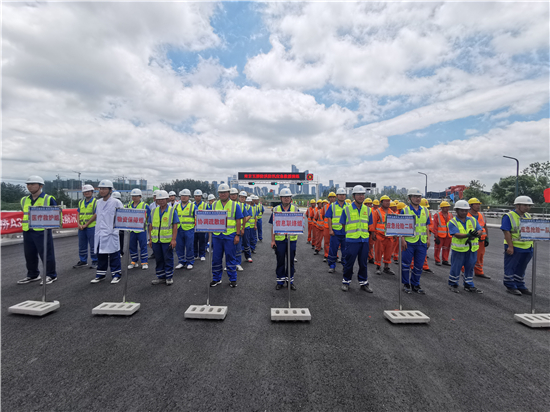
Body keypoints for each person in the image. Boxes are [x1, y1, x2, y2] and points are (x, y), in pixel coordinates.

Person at [17, 175, 58, 285]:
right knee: (29, 254)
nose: (29, 186)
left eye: (32, 184)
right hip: (27, 230)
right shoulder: (24, 200)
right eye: (28, 184)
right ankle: (33, 274)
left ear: (40, 186)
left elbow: (56, 214)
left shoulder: (48, 199)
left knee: (46, 254)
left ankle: (51, 275)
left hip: (42, 231)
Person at [339, 185, 373, 292]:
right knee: (349, 262)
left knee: (363, 263)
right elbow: (343, 225)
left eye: (362, 194)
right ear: (354, 196)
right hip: (352, 240)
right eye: (358, 194)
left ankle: (364, 283)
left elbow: (369, 225)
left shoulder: (368, 210)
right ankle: (346, 281)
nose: (361, 196)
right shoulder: (346, 209)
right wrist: (351, 234)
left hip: (364, 240)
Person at [210, 184, 243, 288]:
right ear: (218, 194)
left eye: (224, 192)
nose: (223, 194)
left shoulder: (234, 205)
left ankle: (233, 279)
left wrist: (237, 235)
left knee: (230, 257)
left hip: (230, 235)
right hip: (217, 235)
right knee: (216, 258)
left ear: (228, 193)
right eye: (220, 193)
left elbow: (238, 220)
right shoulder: (214, 205)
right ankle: (216, 279)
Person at [90, 180, 123, 284]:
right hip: (100, 232)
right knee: (101, 254)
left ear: (110, 190)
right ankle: (100, 274)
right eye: (100, 189)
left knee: (114, 254)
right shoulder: (98, 202)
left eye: (104, 189)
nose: (102, 191)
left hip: (111, 232)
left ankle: (116, 274)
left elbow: (121, 217)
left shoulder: (116, 202)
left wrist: (114, 228)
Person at [501, 196, 535, 295]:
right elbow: (506, 232)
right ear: (517, 205)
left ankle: (520, 284)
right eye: (525, 205)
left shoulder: (528, 216)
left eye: (529, 205)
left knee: (522, 268)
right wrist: (510, 246)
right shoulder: (509, 216)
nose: (527, 207)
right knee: (511, 267)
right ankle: (510, 285)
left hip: (527, 247)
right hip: (515, 247)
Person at [447, 200, 483, 293]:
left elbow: (480, 230)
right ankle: (453, 283)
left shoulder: (472, 220)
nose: (464, 212)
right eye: (462, 210)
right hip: (459, 249)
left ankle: (468, 284)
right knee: (456, 267)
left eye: (466, 210)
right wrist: (468, 235)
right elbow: (456, 234)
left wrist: (476, 234)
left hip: (471, 249)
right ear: (456, 211)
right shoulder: (452, 222)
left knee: (470, 266)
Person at [400, 188, 430, 294]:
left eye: (419, 197)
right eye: (415, 197)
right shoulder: (405, 210)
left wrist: (428, 239)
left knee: (419, 265)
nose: (417, 199)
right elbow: (401, 227)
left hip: (421, 242)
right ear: (409, 198)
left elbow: (427, 226)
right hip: (409, 242)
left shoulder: (425, 211)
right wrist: (402, 240)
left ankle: (415, 284)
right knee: (405, 264)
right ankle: (406, 284)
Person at [270, 188, 299, 289]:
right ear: (281, 198)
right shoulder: (275, 209)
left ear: (291, 198)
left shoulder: (295, 209)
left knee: (290, 261)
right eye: (284, 197)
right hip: (280, 240)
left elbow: (300, 224)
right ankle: (280, 281)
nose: (286, 199)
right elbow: (273, 226)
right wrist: (273, 240)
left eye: (288, 197)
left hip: (291, 240)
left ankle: (290, 282)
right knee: (280, 260)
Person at [148, 190, 178, 285]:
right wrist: (150, 239)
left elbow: (175, 226)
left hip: (167, 240)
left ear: (167, 199)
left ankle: (169, 277)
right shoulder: (153, 211)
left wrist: (173, 239)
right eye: (159, 199)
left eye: (163, 199)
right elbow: (151, 226)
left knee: (168, 258)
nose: (161, 201)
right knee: (158, 259)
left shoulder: (172, 211)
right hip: (156, 240)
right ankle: (161, 277)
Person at [370, 195, 396, 276]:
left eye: (388, 201)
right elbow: (373, 223)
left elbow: (394, 224)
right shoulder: (377, 212)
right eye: (386, 201)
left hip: (389, 236)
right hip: (379, 236)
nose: (388, 203)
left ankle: (386, 267)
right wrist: (373, 233)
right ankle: (378, 267)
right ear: (381, 202)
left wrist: (395, 234)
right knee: (378, 251)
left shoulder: (392, 212)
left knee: (388, 252)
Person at [73, 184, 98, 270]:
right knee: (82, 245)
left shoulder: (95, 202)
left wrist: (86, 225)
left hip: (92, 226)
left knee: (93, 245)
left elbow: (96, 214)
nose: (87, 193)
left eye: (88, 191)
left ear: (92, 192)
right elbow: (78, 214)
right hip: (82, 227)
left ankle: (95, 261)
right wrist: (79, 224)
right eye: (85, 192)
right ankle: (83, 261)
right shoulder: (81, 202)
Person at [126, 188, 150, 270]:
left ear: (140, 196)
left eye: (136, 196)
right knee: (132, 246)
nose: (134, 197)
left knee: (143, 246)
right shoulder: (128, 205)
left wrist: (146, 223)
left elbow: (149, 217)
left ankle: (144, 262)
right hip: (131, 229)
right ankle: (134, 261)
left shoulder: (145, 205)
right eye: (133, 196)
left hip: (141, 230)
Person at [468, 198, 490, 279]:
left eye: (479, 204)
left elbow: (485, 226)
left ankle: (479, 271)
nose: (478, 206)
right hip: (471, 240)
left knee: (480, 256)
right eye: (476, 204)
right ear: (470, 205)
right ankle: (464, 271)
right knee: (468, 256)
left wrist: (487, 237)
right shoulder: (467, 215)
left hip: (481, 240)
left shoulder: (482, 215)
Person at [325, 188, 347, 273]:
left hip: (345, 232)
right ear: (337, 196)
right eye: (340, 195)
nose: (342, 196)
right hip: (335, 232)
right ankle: (332, 265)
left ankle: (345, 265)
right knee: (333, 249)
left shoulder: (348, 206)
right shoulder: (332, 206)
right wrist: (330, 230)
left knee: (345, 250)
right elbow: (329, 218)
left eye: (343, 195)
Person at [175, 189, 195, 270]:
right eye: (182, 196)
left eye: (186, 196)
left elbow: (197, 217)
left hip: (189, 229)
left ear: (189, 197)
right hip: (179, 229)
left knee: (189, 246)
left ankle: (190, 262)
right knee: (179, 246)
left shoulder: (193, 206)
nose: (184, 197)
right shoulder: (176, 206)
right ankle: (181, 261)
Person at [432, 201, 452, 267]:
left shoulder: (450, 215)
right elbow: (435, 225)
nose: (447, 208)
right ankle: (437, 260)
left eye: (448, 207)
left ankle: (445, 260)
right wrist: (436, 236)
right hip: (440, 235)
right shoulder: (437, 215)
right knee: (437, 248)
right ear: (442, 208)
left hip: (448, 235)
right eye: (446, 207)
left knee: (446, 248)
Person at [193, 189, 208, 261]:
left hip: (202, 226)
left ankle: (202, 254)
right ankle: (195, 254)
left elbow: (209, 214)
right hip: (194, 226)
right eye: (196, 196)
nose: (197, 197)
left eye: (199, 196)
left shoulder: (205, 205)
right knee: (194, 240)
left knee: (202, 240)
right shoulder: (192, 205)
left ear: (201, 197)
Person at [368, 199, 379, 264]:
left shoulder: (373, 212)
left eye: (370, 204)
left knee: (370, 245)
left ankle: (370, 257)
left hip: (370, 231)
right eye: (367, 204)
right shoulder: (364, 211)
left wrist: (373, 232)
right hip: (364, 231)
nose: (369, 205)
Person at [322, 198, 332, 262]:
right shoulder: (325, 207)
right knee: (326, 242)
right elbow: (323, 215)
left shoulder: (336, 206)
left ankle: (335, 255)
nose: (332, 198)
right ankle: (326, 255)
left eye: (334, 197)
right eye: (331, 197)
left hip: (334, 227)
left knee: (334, 243)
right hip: (326, 226)